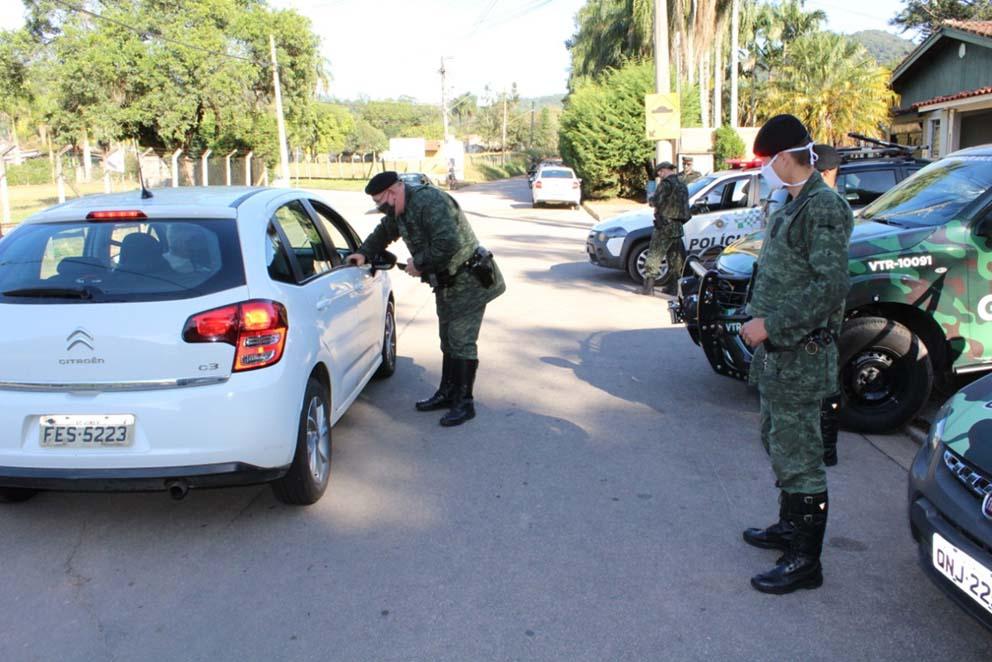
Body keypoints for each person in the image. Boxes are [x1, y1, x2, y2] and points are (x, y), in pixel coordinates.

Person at [738, 115, 853, 594]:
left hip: (801, 356)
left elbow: (829, 288)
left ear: (786, 157)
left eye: (768, 161)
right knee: (779, 441)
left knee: (800, 454)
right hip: (780, 357)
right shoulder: (792, 204)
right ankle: (790, 527)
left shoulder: (823, 208)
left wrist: (770, 324)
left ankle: (806, 560)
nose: (765, 169)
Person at [347, 171, 506, 427]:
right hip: (446, 283)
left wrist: (418, 265)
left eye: (380, 201)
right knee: (447, 338)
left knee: (461, 340)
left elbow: (448, 243)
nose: (380, 207)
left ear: (394, 191)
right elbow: (385, 231)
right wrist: (363, 253)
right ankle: (447, 393)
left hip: (469, 281)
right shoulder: (399, 210)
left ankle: (464, 402)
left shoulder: (429, 202)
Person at [643, 162, 691, 296]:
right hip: (677, 225)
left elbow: (656, 201)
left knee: (655, 254)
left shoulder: (665, 184)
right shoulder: (682, 184)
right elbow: (686, 207)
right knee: (675, 258)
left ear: (664, 170)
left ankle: (648, 288)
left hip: (664, 225)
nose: (659, 175)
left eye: (660, 172)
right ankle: (673, 288)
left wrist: (651, 199)